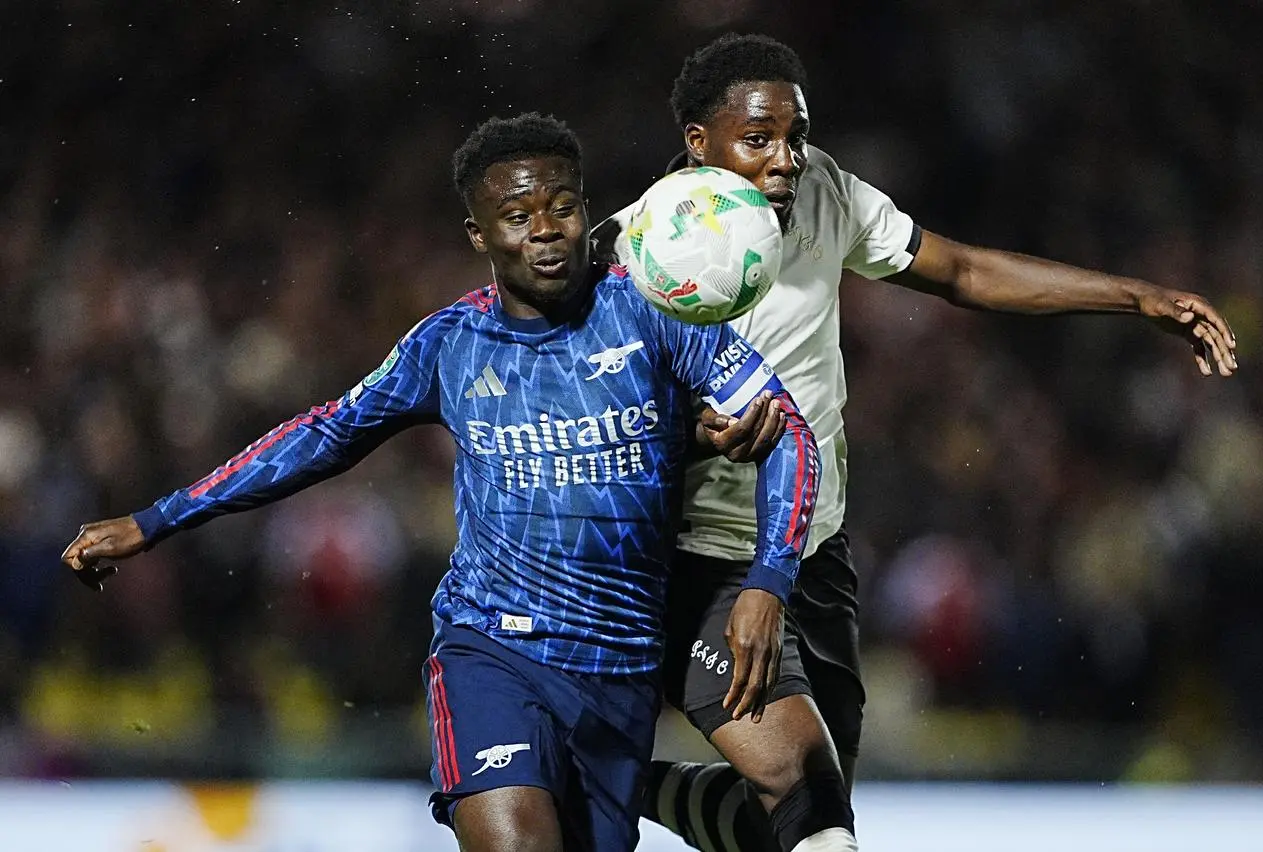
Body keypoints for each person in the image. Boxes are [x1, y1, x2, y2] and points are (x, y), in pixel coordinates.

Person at [60, 113, 823, 852]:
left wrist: (767, 581)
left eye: (562, 207)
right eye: (517, 216)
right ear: (478, 234)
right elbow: (325, 432)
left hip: (619, 667)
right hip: (491, 651)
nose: (545, 230)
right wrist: (156, 519)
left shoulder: (656, 314)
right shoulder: (450, 344)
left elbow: (789, 433)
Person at [596, 33, 1239, 852]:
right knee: (814, 820)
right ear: (698, 142)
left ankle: (620, 783)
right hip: (700, 568)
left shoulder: (826, 191)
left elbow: (961, 272)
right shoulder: (627, 254)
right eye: (758, 139)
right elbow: (583, 426)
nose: (786, 159)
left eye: (794, 135)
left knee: (797, 821)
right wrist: (686, 437)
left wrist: (1135, 298)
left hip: (812, 554)